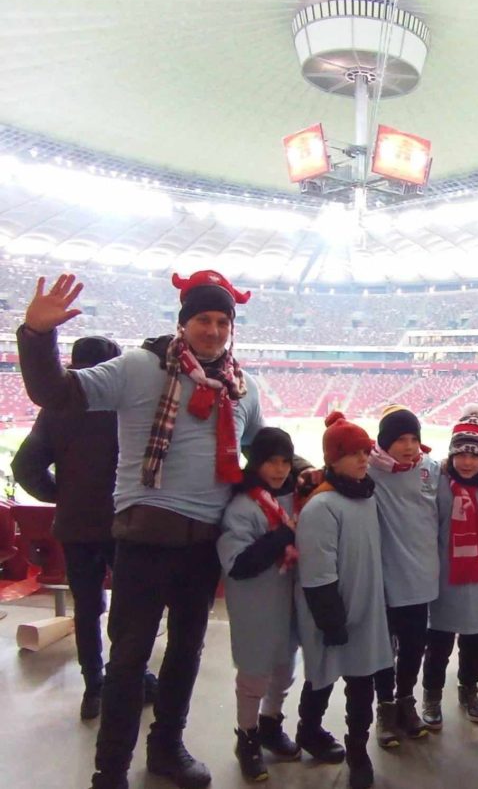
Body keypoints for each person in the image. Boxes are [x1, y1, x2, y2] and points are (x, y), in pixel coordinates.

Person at [16, 271, 303, 789]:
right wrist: (37, 336)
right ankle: (110, 771)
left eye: (222, 322)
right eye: (203, 320)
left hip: (204, 546)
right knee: (128, 659)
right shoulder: (139, 367)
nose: (213, 330)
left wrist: (314, 472)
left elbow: (266, 452)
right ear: (183, 322)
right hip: (144, 538)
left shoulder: (243, 389)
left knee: (186, 654)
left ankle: (167, 749)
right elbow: (54, 392)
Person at [12, 335, 159, 721]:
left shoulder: (57, 409)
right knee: (130, 607)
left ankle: (94, 688)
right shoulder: (123, 404)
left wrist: (61, 494)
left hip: (75, 525)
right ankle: (132, 678)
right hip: (124, 523)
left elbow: (24, 467)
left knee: (87, 608)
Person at [295, 412, 392, 789]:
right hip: (333, 612)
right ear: (333, 459)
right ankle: (309, 729)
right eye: (354, 453)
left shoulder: (366, 496)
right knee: (321, 678)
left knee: (361, 685)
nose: (364, 459)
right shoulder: (322, 506)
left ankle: (357, 749)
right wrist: (332, 621)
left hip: (366, 609)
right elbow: (317, 571)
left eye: (366, 452)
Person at [217, 427, 303, 782]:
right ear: (255, 463)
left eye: (285, 461)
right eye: (271, 462)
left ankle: (270, 723)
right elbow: (238, 564)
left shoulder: (293, 496)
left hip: (287, 602)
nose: (280, 470)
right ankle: (247, 736)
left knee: (284, 667)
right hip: (256, 605)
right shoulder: (242, 506)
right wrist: (283, 535)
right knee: (254, 673)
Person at [421, 406, 478, 729]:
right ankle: (432, 695)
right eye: (460, 455)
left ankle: (469, 689)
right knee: (438, 645)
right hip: (444, 581)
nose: (467, 462)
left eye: (473, 455)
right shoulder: (439, 483)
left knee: (473, 643)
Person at [366, 404, 440, 746]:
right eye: (400, 439)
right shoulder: (370, 469)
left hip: (420, 576)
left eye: (414, 438)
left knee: (414, 646)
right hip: (384, 577)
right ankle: (385, 706)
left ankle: (406, 700)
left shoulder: (431, 469)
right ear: (384, 442)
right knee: (384, 650)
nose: (409, 447)